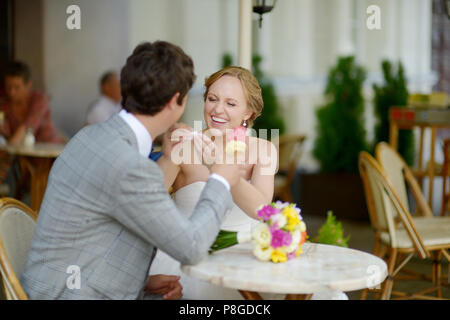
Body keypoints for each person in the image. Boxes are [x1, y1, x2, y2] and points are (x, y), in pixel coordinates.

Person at [20, 41, 243, 300]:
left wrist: (141, 283)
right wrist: (220, 180)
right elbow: (191, 247)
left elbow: (103, 225)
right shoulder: (129, 165)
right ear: (175, 102)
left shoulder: (88, 137)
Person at [149, 66, 279, 299]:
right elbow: (147, 201)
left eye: (231, 103)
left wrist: (223, 169)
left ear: (248, 112)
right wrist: (169, 154)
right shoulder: (186, 145)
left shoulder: (264, 150)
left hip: (247, 258)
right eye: (212, 99)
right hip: (190, 258)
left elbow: (262, 211)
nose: (218, 109)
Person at [0, 61, 65, 184]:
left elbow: (28, 128)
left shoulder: (39, 99)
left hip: (50, 157)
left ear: (28, 85)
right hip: (25, 157)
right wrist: (4, 133)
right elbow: (12, 139)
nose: (12, 92)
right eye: (8, 87)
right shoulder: (5, 105)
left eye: (17, 87)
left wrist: (9, 143)